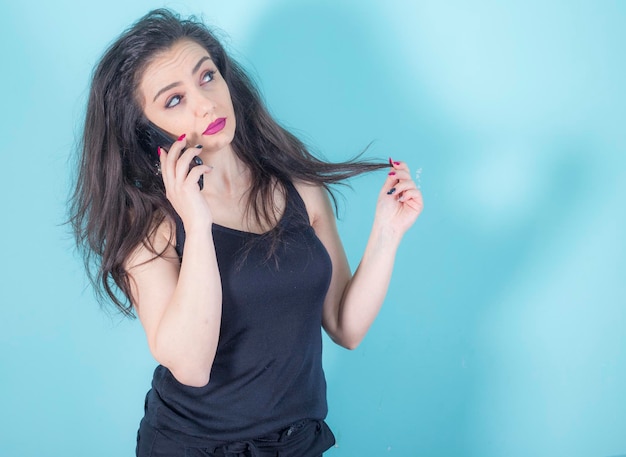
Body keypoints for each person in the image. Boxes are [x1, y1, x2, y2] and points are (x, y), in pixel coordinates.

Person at [70, 8, 422, 457]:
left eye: (207, 77)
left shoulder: (298, 189)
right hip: (193, 447)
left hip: (297, 443)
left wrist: (388, 233)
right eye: (173, 100)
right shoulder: (150, 234)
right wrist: (196, 225)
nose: (205, 103)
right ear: (147, 129)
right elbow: (192, 367)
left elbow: (344, 326)